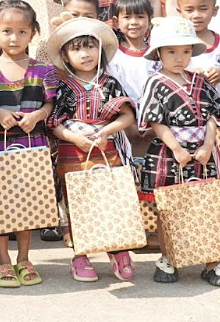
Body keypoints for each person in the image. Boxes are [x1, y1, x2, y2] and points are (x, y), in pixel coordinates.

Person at [138, 16, 220, 287]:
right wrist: (177, 148)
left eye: (185, 50)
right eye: (171, 51)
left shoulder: (201, 81)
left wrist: (207, 146)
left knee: (209, 204)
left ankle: (212, 261)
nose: (179, 57)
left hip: (206, 152)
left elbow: (214, 117)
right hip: (170, 153)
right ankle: (169, 258)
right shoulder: (154, 83)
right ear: (158, 52)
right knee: (169, 208)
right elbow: (156, 122)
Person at [45, 17, 136, 283]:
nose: (85, 54)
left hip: (107, 150)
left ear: (101, 51)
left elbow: (127, 116)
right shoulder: (62, 88)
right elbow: (54, 124)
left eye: (90, 47)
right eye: (76, 49)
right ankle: (81, 255)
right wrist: (74, 137)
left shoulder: (110, 83)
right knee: (77, 203)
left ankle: (119, 251)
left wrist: (106, 131)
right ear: (65, 55)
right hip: (72, 153)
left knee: (112, 201)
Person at [0, 0, 55, 289]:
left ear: (33, 33)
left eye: (22, 32)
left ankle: (24, 258)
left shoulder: (43, 71)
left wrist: (39, 114)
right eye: (7, 31)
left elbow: (50, 105)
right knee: (2, 205)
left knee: (28, 204)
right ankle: (3, 261)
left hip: (33, 145)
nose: (14, 38)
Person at [107, 0, 155, 105]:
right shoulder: (112, 55)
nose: (133, 22)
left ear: (150, 21)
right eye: (127, 17)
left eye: (140, 17)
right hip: (123, 112)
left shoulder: (157, 53)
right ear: (116, 22)